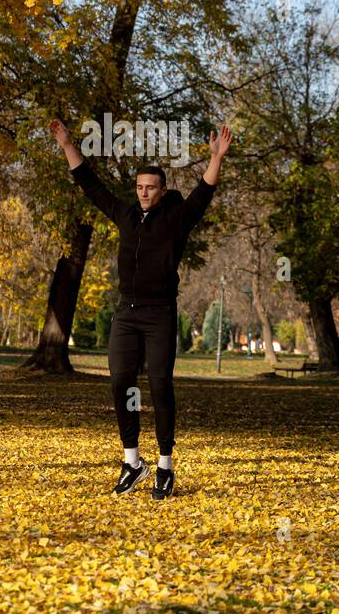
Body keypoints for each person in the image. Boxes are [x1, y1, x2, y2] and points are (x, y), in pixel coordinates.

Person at [49, 119, 232, 498]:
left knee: (160, 385)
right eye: (139, 187)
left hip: (160, 313)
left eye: (151, 188)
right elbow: (91, 185)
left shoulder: (176, 219)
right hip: (126, 315)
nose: (144, 193)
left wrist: (215, 158)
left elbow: (203, 192)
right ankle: (133, 462)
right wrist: (68, 145)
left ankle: (165, 465)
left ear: (163, 191)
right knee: (120, 383)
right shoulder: (126, 215)